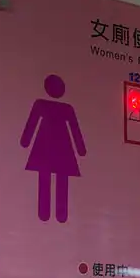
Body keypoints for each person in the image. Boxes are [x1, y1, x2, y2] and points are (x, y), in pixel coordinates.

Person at [20, 74, 86, 223]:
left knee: (48, 178)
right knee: (58, 179)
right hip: (61, 148)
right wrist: (80, 150)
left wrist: (25, 141)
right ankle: (56, 215)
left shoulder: (45, 105)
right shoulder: (63, 108)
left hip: (46, 146)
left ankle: (47, 213)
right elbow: (74, 129)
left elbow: (32, 124)